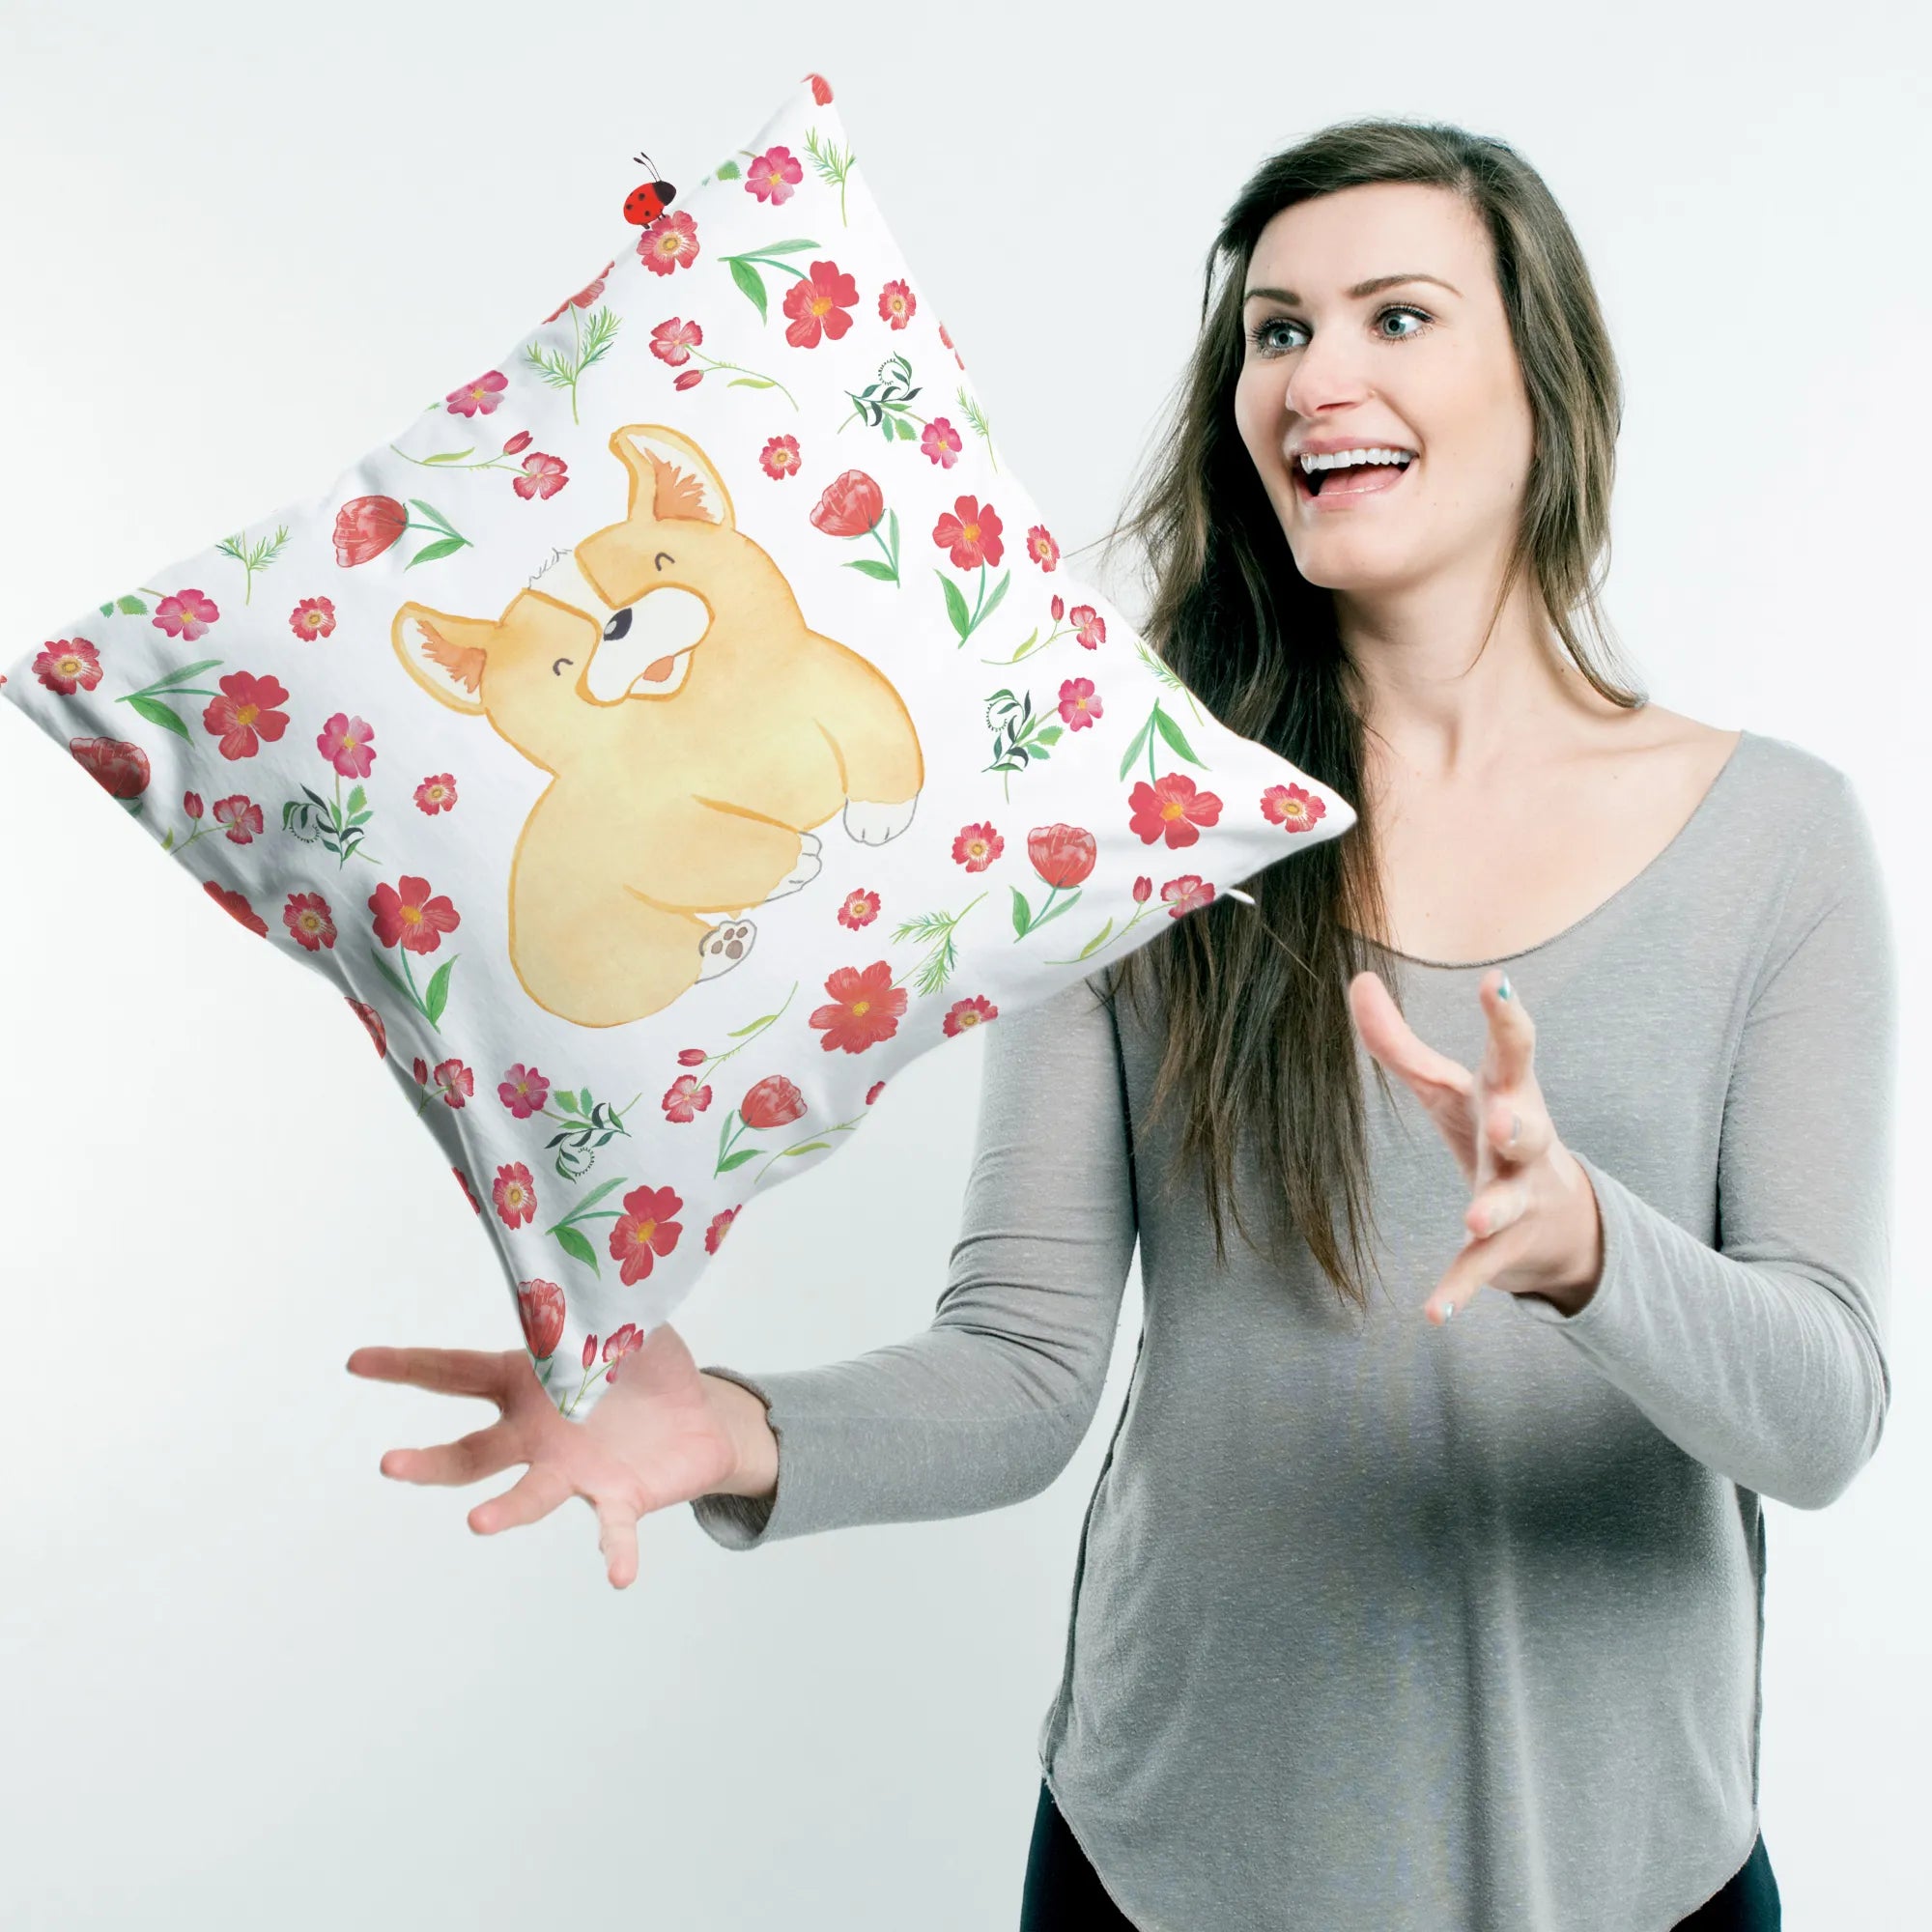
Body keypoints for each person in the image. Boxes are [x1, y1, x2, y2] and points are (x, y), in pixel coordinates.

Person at [345, 116, 1893, 1930]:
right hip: (1173, 1866)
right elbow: (1021, 1365)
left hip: (1639, 1874)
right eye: (1277, 330)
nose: (1315, 375)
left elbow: (1823, 1417)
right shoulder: (1143, 828)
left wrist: (1590, 1251)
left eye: (1397, 316)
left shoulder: (1776, 841)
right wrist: (732, 1429)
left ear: (1547, 384)